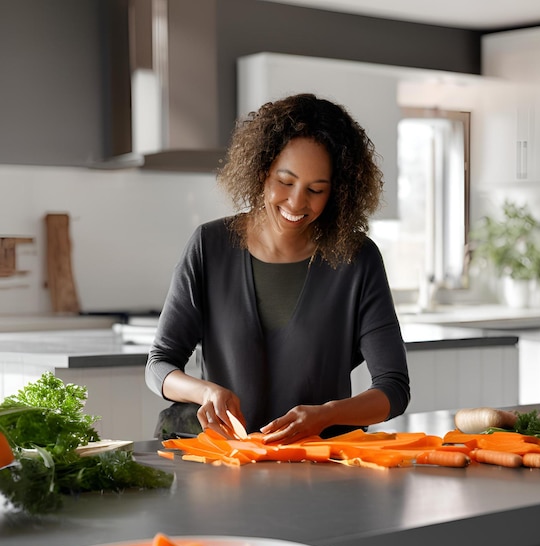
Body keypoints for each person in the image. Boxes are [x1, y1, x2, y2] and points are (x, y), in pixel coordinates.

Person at [146, 93, 410, 444]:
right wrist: (204, 392)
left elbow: (393, 388)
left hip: (325, 466)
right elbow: (159, 365)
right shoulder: (210, 246)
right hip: (228, 464)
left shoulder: (357, 259)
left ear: (338, 193)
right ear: (261, 171)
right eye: (285, 182)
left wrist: (326, 414)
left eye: (316, 189)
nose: (297, 202)